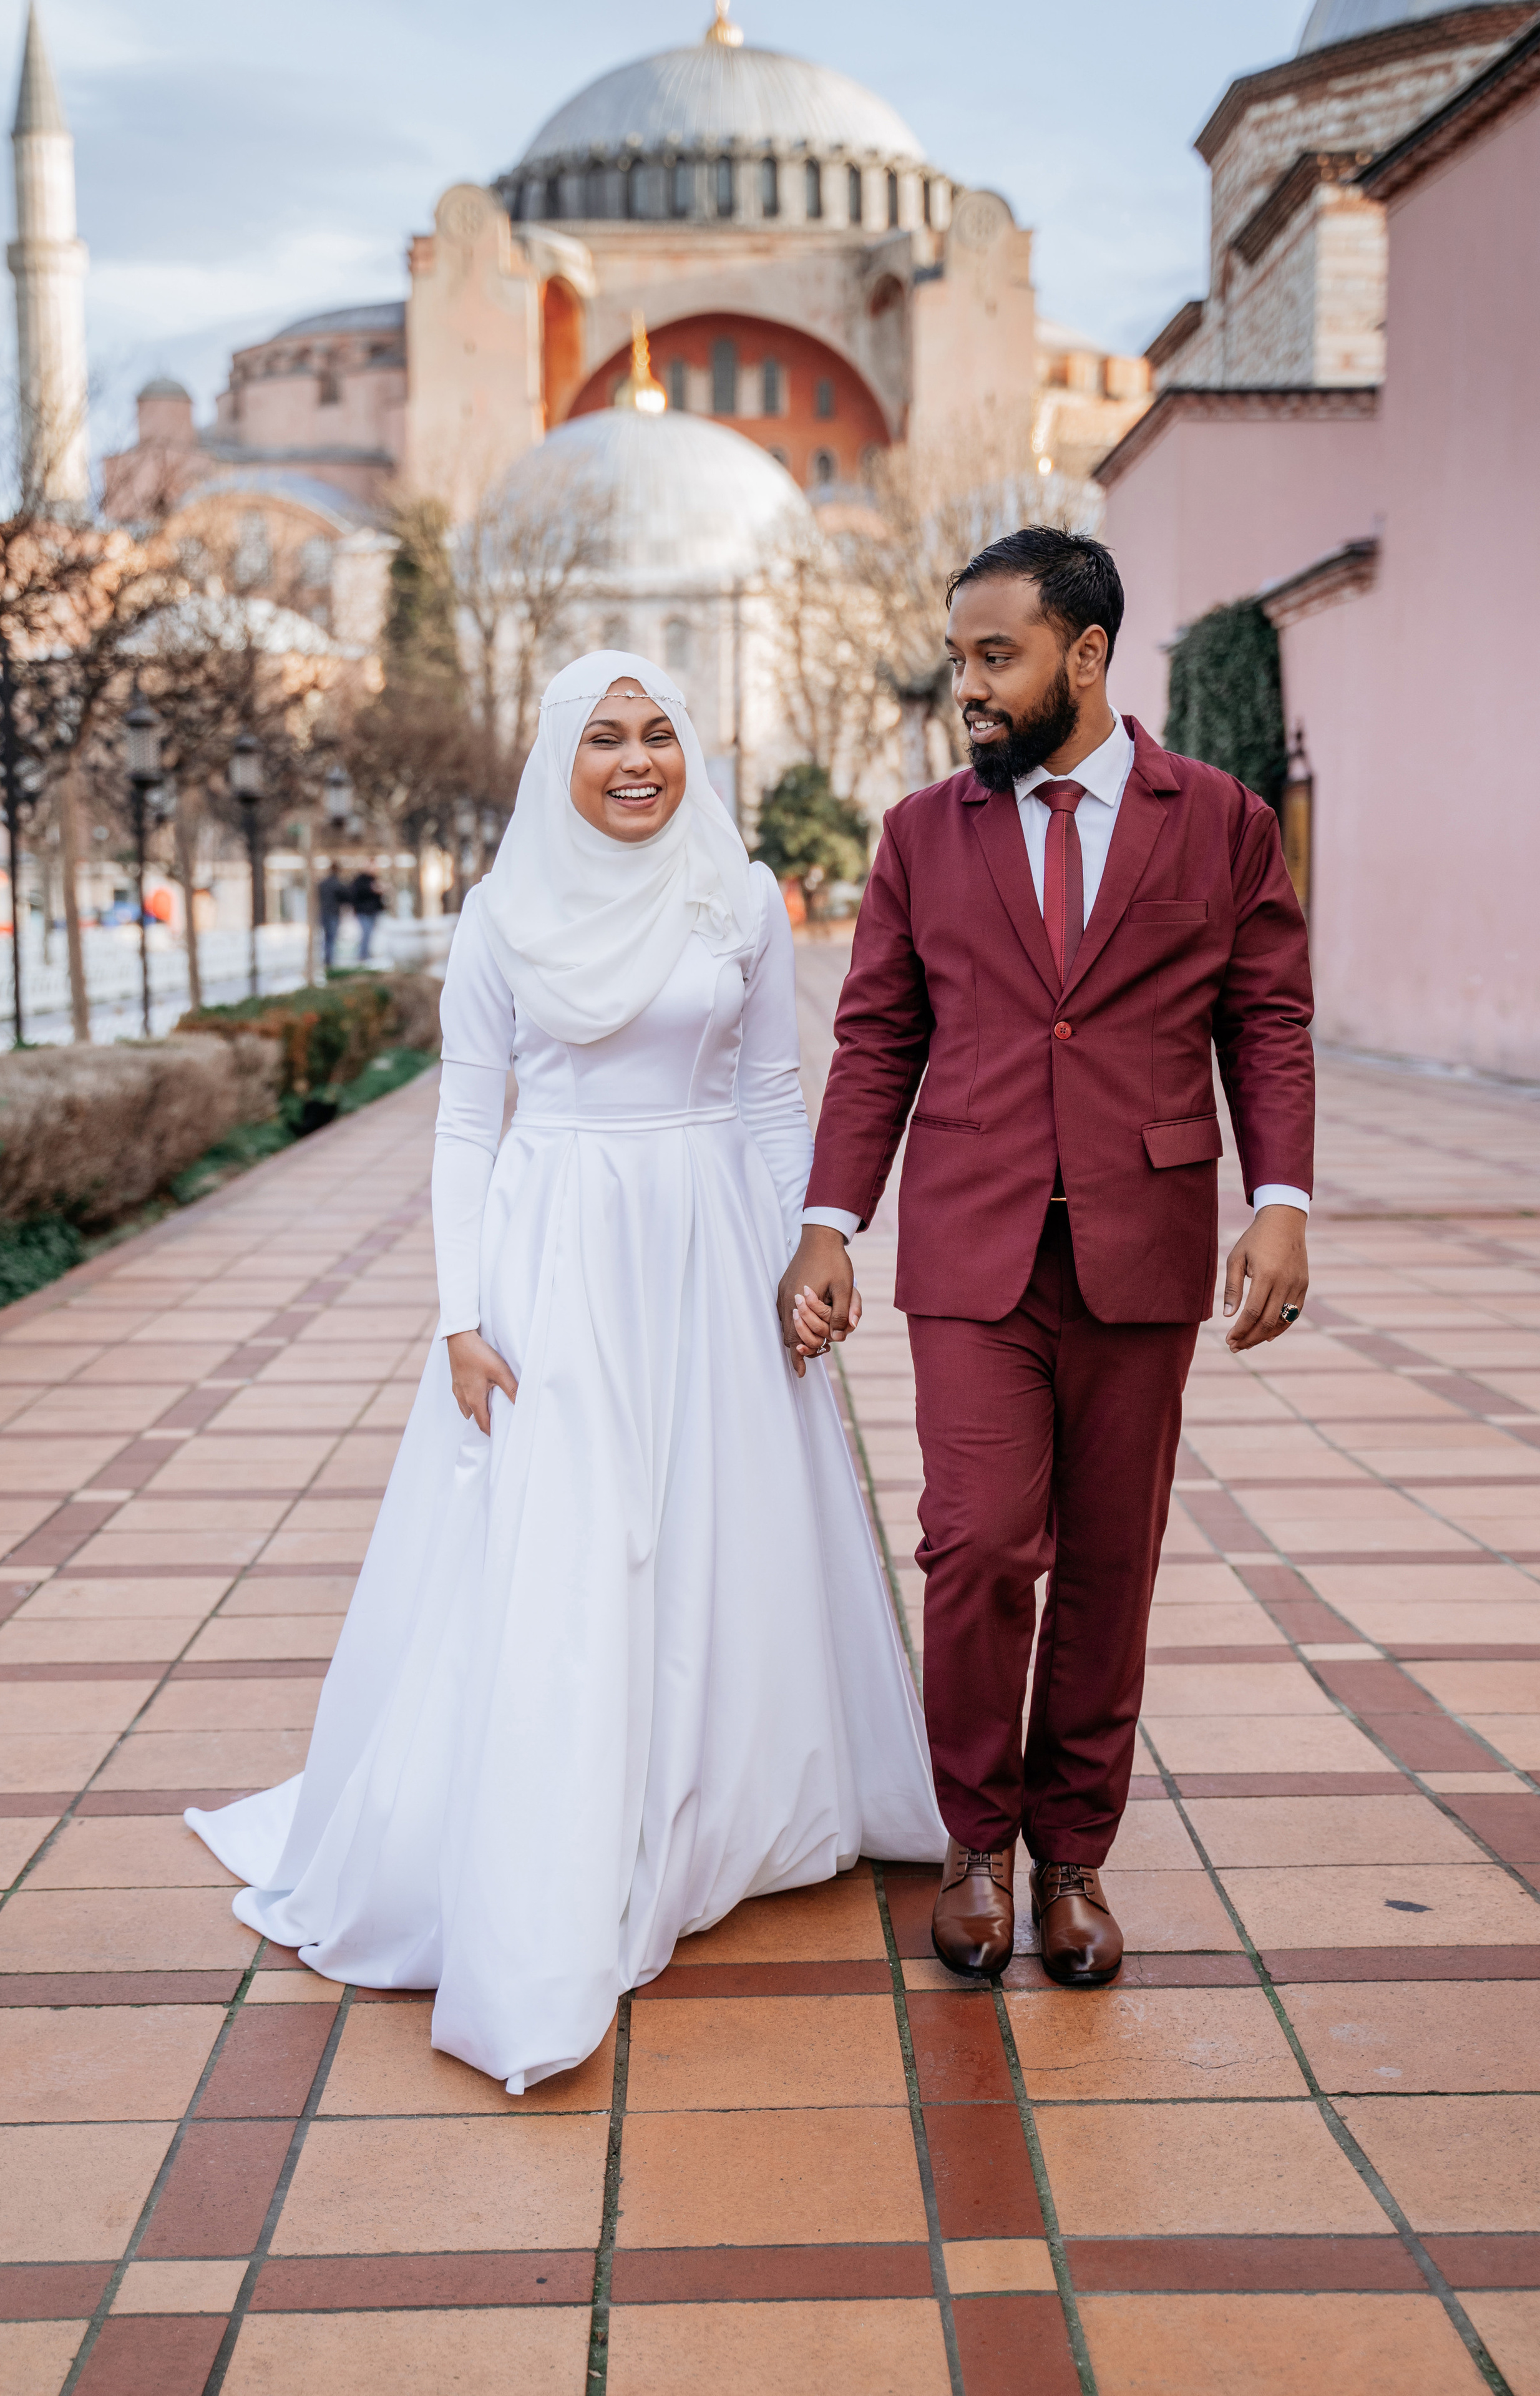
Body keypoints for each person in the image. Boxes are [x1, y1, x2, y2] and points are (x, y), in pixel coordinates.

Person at [187, 650, 943, 2091]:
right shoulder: (499, 916)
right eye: (605, 736)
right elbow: (468, 1124)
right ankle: (568, 1839)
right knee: (579, 1542)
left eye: (659, 731)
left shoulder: (735, 895)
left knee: (719, 1532)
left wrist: (808, 1245)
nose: (637, 758)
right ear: (559, 755)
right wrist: (460, 1313)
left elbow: (771, 1091)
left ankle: (721, 1813)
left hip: (711, 1251)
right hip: (558, 1263)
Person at [779, 530, 1314, 1989]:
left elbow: (1262, 1018)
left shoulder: (1215, 822)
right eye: (957, 655)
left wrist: (1279, 1196)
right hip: (971, 1245)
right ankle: (973, 1840)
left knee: (1107, 1562)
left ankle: (1072, 1857)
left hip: (1139, 1247)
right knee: (975, 1543)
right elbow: (875, 1036)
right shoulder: (918, 835)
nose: (967, 683)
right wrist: (827, 1222)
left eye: (992, 654)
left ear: (1082, 656)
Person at [316, 864, 350, 970]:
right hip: (333, 914)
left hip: (324, 913)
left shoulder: (323, 883)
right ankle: (329, 961)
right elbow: (346, 897)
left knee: (326, 938)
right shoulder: (337, 884)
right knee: (332, 938)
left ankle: (327, 959)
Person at [349, 865, 386, 960]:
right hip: (364, 911)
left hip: (373, 911)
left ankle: (366, 954)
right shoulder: (360, 881)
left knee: (370, 934)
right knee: (366, 933)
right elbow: (356, 894)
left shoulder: (374, 880)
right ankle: (363, 956)